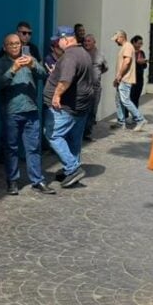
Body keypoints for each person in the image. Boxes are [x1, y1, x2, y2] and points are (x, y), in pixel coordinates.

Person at [0, 33, 52, 195]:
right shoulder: (0, 62)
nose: (15, 46)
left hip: (31, 110)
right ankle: (12, 181)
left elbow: (43, 75)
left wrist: (33, 64)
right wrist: (13, 69)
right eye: (11, 44)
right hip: (11, 111)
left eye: (17, 43)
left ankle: (37, 180)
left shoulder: (29, 58)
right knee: (11, 148)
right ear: (5, 47)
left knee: (33, 147)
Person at [42, 26, 93, 188]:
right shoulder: (84, 53)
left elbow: (66, 79)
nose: (57, 44)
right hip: (79, 107)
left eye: (58, 40)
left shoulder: (70, 56)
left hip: (66, 107)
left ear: (66, 39)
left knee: (53, 135)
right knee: (73, 139)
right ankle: (70, 169)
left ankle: (73, 168)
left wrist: (56, 95)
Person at [109, 30, 147, 131]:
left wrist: (119, 76)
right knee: (119, 100)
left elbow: (127, 61)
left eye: (117, 39)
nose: (116, 41)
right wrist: (117, 77)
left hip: (125, 79)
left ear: (122, 37)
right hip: (121, 79)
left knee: (125, 100)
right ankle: (121, 122)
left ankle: (140, 119)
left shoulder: (127, 47)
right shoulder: (126, 47)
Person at [82, 33, 107, 140]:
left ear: (94, 42)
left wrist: (96, 75)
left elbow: (105, 68)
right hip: (82, 87)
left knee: (92, 110)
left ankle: (87, 132)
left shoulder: (100, 54)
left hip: (95, 88)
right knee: (82, 110)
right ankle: (80, 131)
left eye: (89, 41)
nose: (86, 43)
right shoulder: (81, 53)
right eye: (85, 41)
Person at [130, 34, 148, 107]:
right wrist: (136, 62)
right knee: (130, 97)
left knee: (136, 98)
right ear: (134, 42)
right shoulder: (130, 52)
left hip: (139, 78)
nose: (140, 45)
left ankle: (135, 114)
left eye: (141, 43)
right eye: (139, 43)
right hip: (131, 78)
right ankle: (126, 114)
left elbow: (145, 66)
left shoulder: (141, 52)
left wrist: (143, 62)